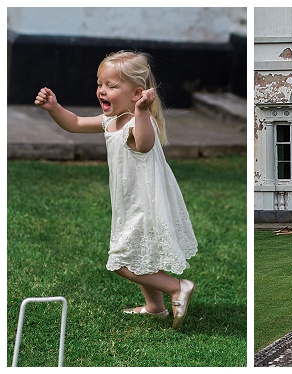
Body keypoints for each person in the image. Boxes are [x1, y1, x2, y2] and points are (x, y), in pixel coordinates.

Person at [34, 50, 196, 329]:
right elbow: (74, 124)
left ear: (136, 93)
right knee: (139, 254)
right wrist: (54, 108)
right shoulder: (110, 121)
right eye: (100, 84)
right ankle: (155, 307)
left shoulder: (138, 122)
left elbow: (143, 144)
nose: (102, 91)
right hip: (129, 202)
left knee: (122, 261)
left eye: (111, 86)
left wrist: (142, 111)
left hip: (145, 204)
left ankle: (176, 287)